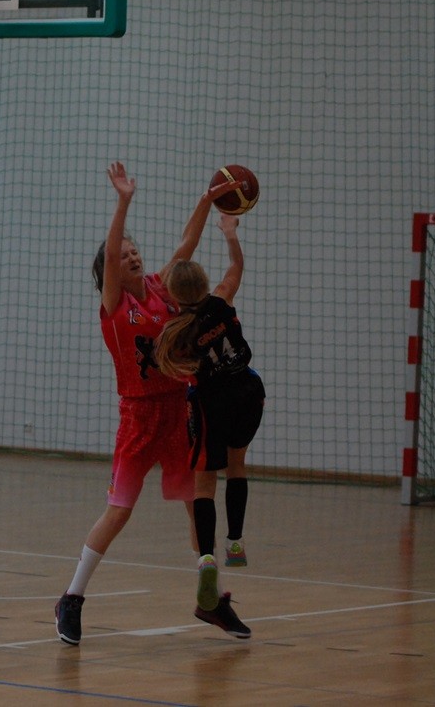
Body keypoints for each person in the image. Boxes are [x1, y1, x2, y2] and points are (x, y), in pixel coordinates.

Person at [54, 162, 240, 645]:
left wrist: (206, 200)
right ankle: (71, 598)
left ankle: (211, 600)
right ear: (110, 271)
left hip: (179, 410)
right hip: (138, 417)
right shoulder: (114, 305)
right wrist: (123, 201)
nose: (133, 256)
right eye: (124, 254)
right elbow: (113, 244)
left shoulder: (162, 286)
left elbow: (187, 245)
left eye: (135, 251)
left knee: (197, 505)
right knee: (119, 510)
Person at [154, 212, 263, 639]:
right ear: (204, 284)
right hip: (247, 394)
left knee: (204, 485)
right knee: (238, 465)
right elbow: (236, 267)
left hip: (210, 406)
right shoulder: (221, 302)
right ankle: (235, 542)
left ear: (173, 295)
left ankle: (206, 559)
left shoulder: (175, 332)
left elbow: (171, 369)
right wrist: (230, 234)